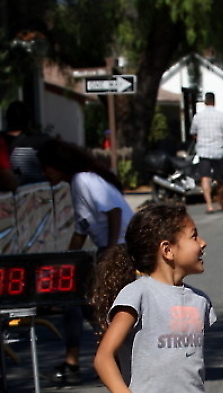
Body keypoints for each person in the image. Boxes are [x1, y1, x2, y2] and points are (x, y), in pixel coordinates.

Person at [37, 138, 134, 385]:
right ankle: (91, 360)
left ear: (57, 165)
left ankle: (98, 362)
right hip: (111, 248)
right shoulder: (78, 183)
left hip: (120, 248)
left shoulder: (84, 179)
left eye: (46, 168)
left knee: (93, 304)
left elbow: (114, 212)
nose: (44, 174)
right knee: (79, 301)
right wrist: (66, 261)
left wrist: (110, 251)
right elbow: (81, 230)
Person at [92, 202, 216, 393]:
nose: (203, 242)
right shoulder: (138, 294)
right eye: (194, 236)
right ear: (167, 250)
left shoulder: (200, 301)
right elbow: (103, 357)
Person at [189, 92, 223, 213]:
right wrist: (219, 136)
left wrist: (200, 137)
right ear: (214, 101)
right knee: (220, 178)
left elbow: (193, 132)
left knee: (205, 177)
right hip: (218, 151)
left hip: (203, 151)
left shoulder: (198, 116)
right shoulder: (221, 115)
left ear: (205, 102)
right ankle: (220, 203)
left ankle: (209, 205)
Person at [1, 100, 51, 186]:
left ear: (7, 119)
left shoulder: (1, 142)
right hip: (39, 191)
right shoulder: (43, 141)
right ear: (29, 120)